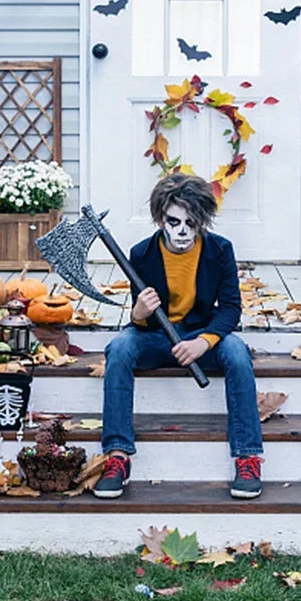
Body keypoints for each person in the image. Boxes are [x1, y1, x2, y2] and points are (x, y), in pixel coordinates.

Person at [94, 173, 264, 500]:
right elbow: (140, 321)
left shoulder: (220, 250)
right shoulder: (141, 254)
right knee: (119, 347)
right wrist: (138, 314)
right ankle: (117, 455)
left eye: (192, 221)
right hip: (158, 337)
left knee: (238, 352)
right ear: (160, 218)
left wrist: (204, 342)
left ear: (203, 220)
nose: (183, 230)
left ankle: (247, 456)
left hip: (202, 333)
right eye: (174, 221)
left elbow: (230, 308)